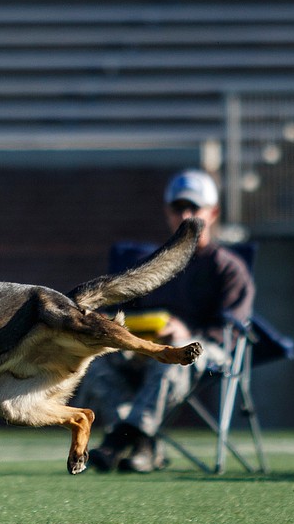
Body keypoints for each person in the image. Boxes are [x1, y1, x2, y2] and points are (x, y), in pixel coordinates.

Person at [77, 169, 256, 474]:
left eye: (194, 208)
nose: (185, 216)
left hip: (205, 351)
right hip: (147, 347)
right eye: (178, 208)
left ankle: (118, 442)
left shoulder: (228, 268)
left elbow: (232, 327)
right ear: (167, 212)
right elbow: (124, 310)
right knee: (96, 359)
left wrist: (187, 333)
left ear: (213, 213)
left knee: (175, 354)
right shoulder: (153, 265)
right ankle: (143, 446)